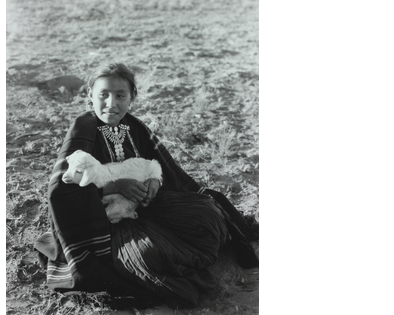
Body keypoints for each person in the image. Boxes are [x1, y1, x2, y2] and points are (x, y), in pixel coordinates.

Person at [34, 63, 258, 307]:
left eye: (120, 95)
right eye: (104, 95)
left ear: (132, 98)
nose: (112, 103)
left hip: (146, 205)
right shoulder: (83, 129)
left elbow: (163, 169)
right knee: (147, 254)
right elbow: (61, 190)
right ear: (90, 96)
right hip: (106, 219)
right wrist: (115, 186)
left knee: (208, 216)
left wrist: (154, 182)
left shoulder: (134, 126)